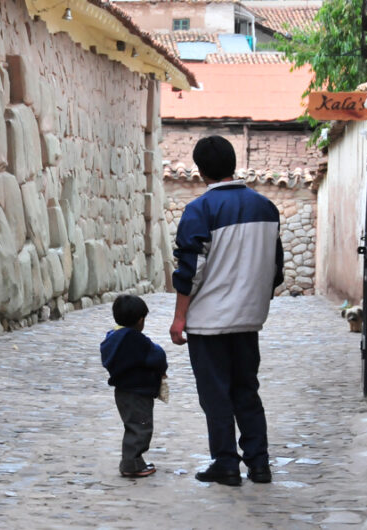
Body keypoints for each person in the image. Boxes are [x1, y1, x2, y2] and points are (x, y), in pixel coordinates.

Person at [169, 136, 284, 487]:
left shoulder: (199, 210)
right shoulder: (267, 208)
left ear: (200, 170)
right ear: (233, 164)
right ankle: (259, 464)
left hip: (208, 323)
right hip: (249, 321)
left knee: (216, 395)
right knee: (246, 391)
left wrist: (179, 317)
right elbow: (276, 268)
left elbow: (190, 269)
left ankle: (226, 464)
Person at [101, 295, 168, 478]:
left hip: (122, 391)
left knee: (132, 425)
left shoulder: (111, 338)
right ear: (140, 320)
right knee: (141, 427)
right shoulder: (138, 341)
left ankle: (135, 461)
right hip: (138, 392)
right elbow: (157, 356)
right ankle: (131, 464)